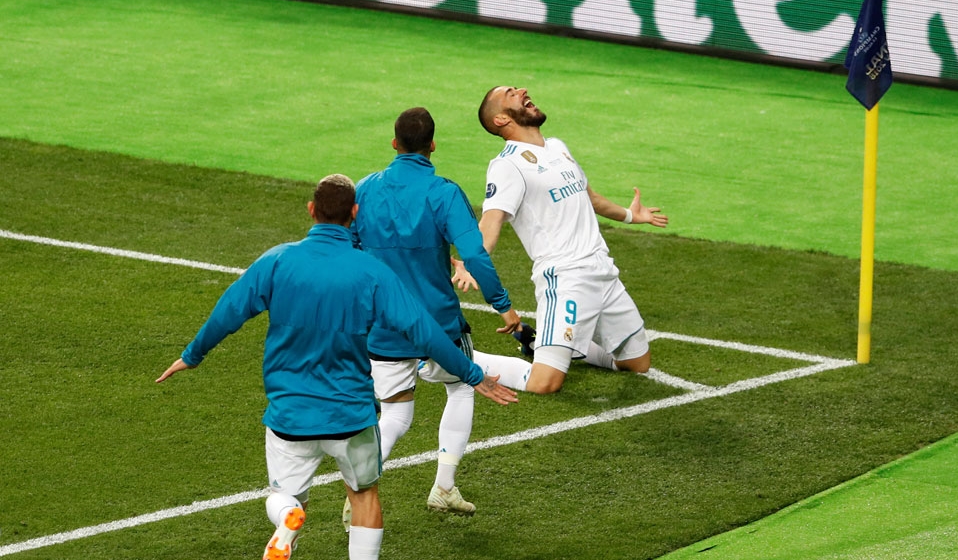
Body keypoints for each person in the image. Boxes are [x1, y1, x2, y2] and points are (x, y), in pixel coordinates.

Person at [156, 174, 517, 560]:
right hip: (351, 416)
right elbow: (425, 332)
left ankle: (288, 516)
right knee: (364, 497)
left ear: (311, 210)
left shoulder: (277, 261)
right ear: (355, 213)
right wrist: (472, 374)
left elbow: (228, 311)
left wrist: (192, 355)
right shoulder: (373, 272)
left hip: (290, 414)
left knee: (283, 496)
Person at [349, 107, 521, 520]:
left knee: (395, 413)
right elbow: (474, 254)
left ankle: (359, 490)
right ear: (433, 145)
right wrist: (502, 305)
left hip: (383, 326)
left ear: (394, 144)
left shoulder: (365, 189)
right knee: (461, 387)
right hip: (439, 324)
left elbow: (348, 250)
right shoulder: (444, 193)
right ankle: (444, 486)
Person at [469, 85, 669, 394]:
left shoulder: (557, 146)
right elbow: (491, 221)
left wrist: (631, 216)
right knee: (544, 383)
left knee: (636, 363)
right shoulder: (507, 165)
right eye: (510, 93)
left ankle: (541, 341)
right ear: (501, 120)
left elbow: (591, 197)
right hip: (565, 277)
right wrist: (473, 259)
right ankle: (457, 357)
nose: (522, 90)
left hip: (603, 271)